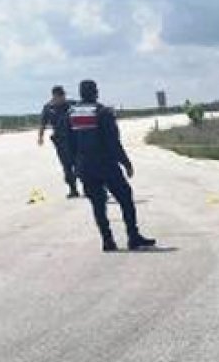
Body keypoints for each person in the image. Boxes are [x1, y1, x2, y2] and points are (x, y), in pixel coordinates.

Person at [67, 80, 156, 252]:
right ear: (95, 92)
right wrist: (126, 162)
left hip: (85, 166)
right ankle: (133, 236)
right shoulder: (103, 112)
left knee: (98, 205)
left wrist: (74, 166)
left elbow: (68, 144)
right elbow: (113, 143)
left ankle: (107, 241)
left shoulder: (71, 114)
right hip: (106, 165)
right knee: (125, 198)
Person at [38, 85, 79, 198]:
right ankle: (73, 189)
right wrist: (40, 137)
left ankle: (90, 185)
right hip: (60, 141)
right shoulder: (48, 108)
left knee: (80, 164)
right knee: (66, 166)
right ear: (54, 96)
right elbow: (43, 123)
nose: (62, 98)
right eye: (60, 96)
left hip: (75, 138)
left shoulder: (72, 105)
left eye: (63, 96)